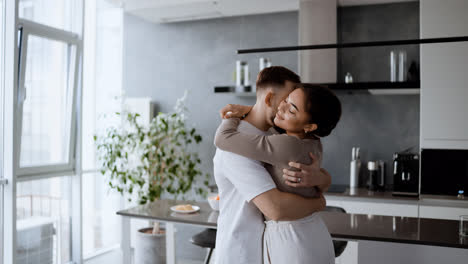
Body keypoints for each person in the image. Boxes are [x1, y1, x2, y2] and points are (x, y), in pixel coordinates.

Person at [213, 67, 332, 264]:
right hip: (241, 252)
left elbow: (318, 178)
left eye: (292, 105)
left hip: (274, 249)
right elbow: (276, 209)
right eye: (285, 100)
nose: (285, 108)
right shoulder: (235, 147)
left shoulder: (276, 137)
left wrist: (321, 178)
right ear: (269, 99)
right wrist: (319, 203)